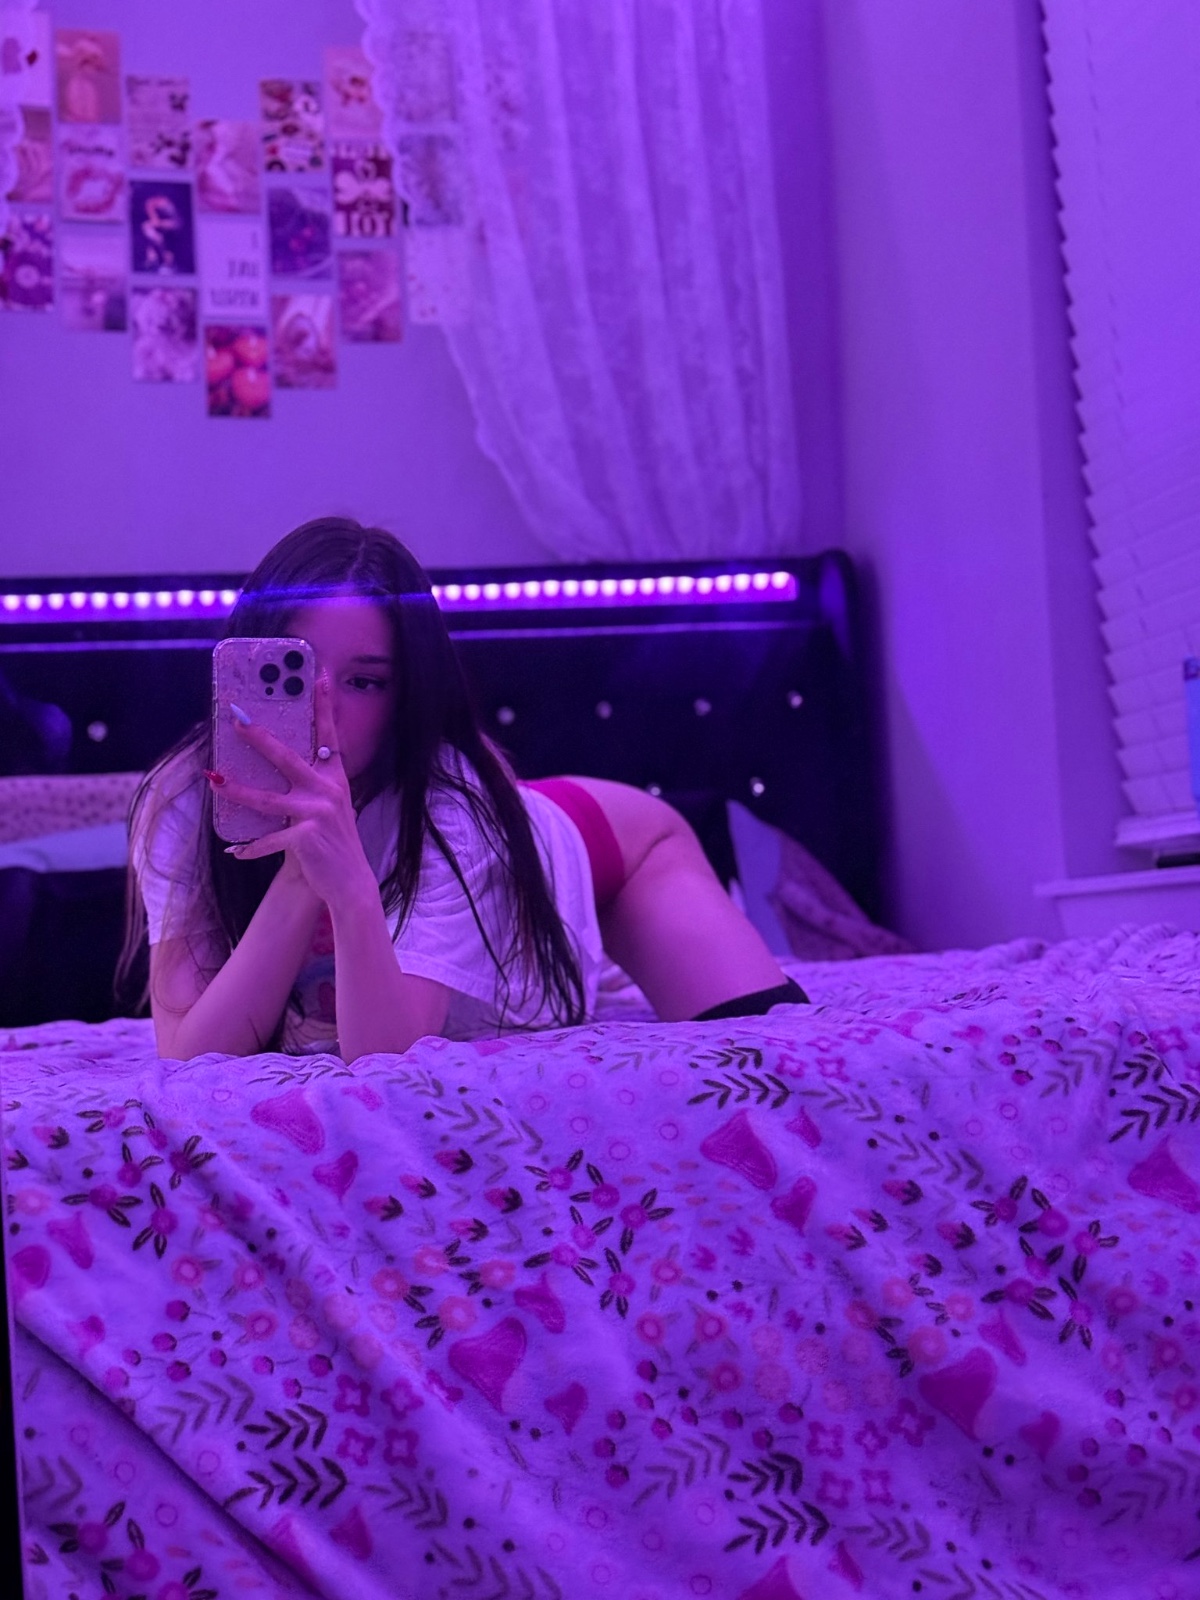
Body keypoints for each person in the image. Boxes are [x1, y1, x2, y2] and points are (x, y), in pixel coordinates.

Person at [121, 518, 805, 1061]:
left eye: (364, 681)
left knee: (767, 1058)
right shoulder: (187, 796)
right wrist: (301, 874)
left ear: (405, 697)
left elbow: (388, 1058)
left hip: (609, 849)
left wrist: (345, 879)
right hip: (503, 840)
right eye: (296, 671)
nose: (324, 706)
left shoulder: (450, 806)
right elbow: (189, 1052)